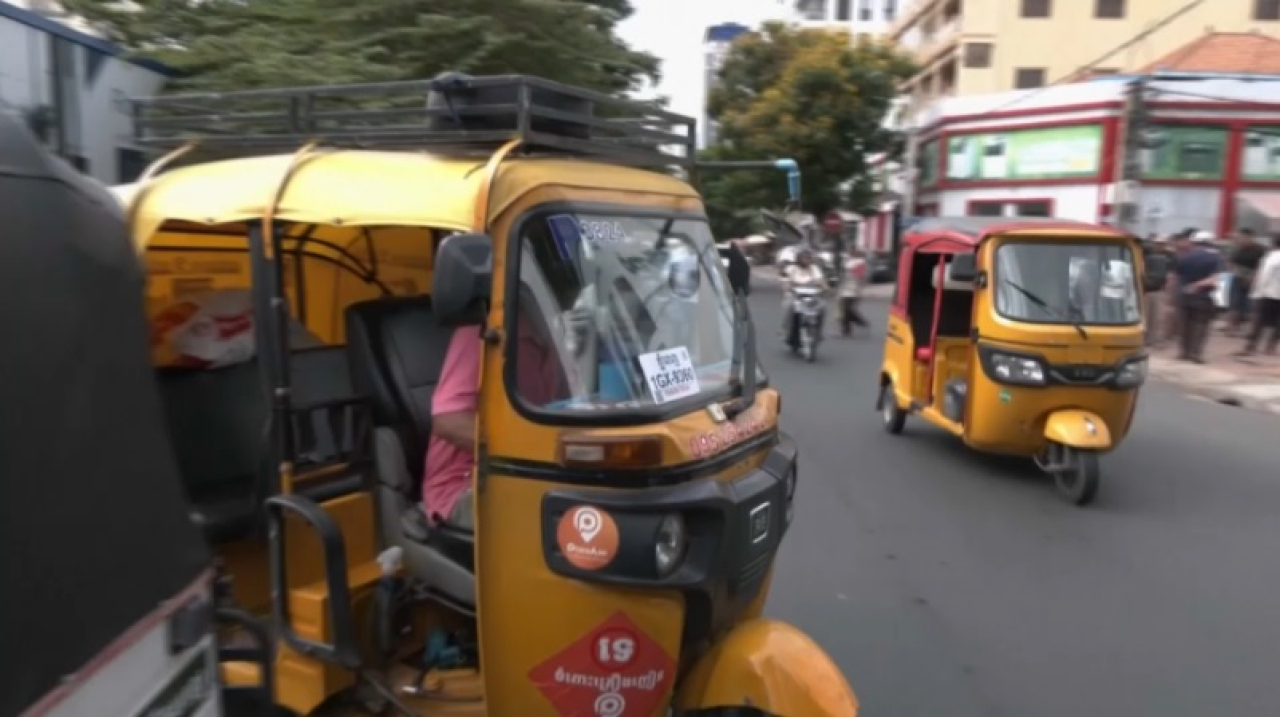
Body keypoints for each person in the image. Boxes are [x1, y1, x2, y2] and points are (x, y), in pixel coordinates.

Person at [1173, 230, 1224, 363]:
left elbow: (1175, 276)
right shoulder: (1215, 257)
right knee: (1200, 325)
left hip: (1184, 295)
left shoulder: (1185, 256)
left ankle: (1184, 352)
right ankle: (1196, 354)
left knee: (1185, 324)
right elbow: (1214, 278)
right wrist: (1197, 286)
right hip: (1203, 296)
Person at [1238, 236, 1280, 356]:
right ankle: (1271, 347)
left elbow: (1264, 275)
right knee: (1278, 322)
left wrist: (1256, 290)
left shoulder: (1271, 258)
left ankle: (1251, 346)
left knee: (1259, 321)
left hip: (1267, 293)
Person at [1227, 228, 1266, 336]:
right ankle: (1232, 329)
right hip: (1238, 279)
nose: (1239, 240)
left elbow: (1263, 266)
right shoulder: (1237, 249)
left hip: (1255, 279)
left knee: (1252, 307)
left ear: (1249, 237)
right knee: (1234, 305)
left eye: (1241, 238)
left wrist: (1253, 278)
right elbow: (1230, 263)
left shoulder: (1260, 250)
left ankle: (1252, 331)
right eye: (1238, 238)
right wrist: (1238, 273)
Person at [780, 247, 827, 336]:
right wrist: (787, 286)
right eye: (804, 258)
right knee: (788, 307)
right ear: (798, 258)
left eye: (808, 258)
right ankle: (785, 330)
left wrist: (824, 287)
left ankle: (818, 331)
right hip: (795, 295)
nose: (806, 260)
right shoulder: (791, 268)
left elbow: (820, 280)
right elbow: (785, 281)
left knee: (823, 307)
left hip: (812, 296)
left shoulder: (814, 268)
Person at [840, 249, 870, 337]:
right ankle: (846, 329)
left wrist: (858, 288)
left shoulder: (859, 263)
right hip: (847, 288)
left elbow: (860, 277)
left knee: (847, 309)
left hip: (854, 288)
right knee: (846, 309)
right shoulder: (850, 262)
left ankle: (860, 322)